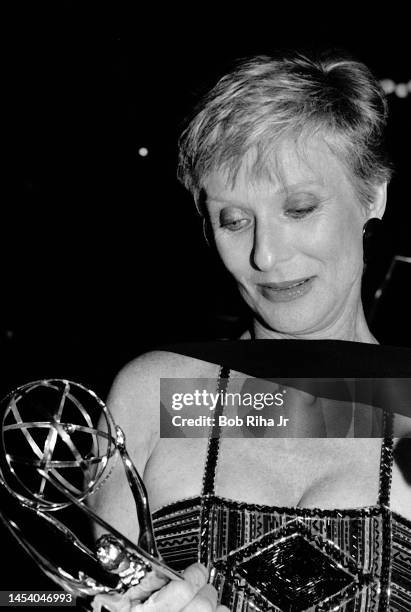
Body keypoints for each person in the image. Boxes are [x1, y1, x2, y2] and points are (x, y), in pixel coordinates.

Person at [90, 51, 411, 611]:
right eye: (234, 221)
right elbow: (47, 597)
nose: (265, 255)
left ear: (373, 195)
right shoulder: (158, 395)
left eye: (301, 208)